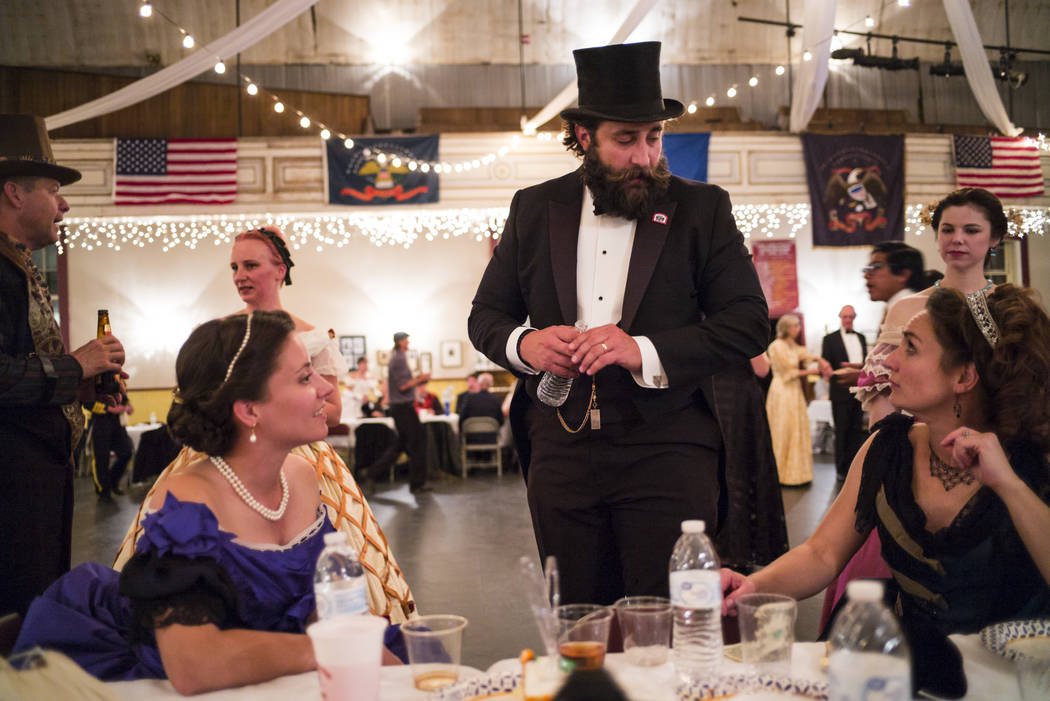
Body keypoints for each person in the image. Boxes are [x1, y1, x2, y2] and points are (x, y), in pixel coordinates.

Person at [468, 42, 769, 604]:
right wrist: (526, 344)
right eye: (625, 139)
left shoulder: (702, 209)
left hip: (669, 445)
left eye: (654, 136)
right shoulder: (534, 208)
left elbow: (749, 322)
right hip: (559, 445)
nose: (644, 156)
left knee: (671, 619)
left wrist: (643, 350)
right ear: (585, 137)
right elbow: (486, 316)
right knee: (580, 620)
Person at [14, 312, 404, 691]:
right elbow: (194, 667)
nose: (326, 388)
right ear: (249, 410)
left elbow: (322, 608)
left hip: (274, 668)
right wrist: (321, 649)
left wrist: (409, 679)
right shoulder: (186, 500)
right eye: (305, 377)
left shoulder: (301, 478)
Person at [114, 228, 416, 623]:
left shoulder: (309, 333)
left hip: (301, 450)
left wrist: (287, 414)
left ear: (280, 269)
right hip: (226, 448)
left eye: (251, 265)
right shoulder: (223, 333)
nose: (240, 275)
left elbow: (335, 410)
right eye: (235, 267)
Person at [722, 285, 1050, 636]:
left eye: (910, 348)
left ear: (963, 376)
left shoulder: (1033, 461)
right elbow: (822, 553)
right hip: (906, 658)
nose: (889, 360)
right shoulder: (889, 444)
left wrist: (1008, 485)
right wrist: (752, 586)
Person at [0, 114, 127, 617]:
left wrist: (80, 388)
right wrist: (74, 368)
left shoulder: (18, 263)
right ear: (14, 192)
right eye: (54, 190)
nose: (65, 203)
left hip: (33, 483)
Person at [851, 241, 927, 425]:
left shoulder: (907, 309)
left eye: (876, 267)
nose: (867, 275)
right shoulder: (896, 306)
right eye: (866, 268)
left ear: (903, 274)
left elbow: (901, 371)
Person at [765, 315, 830, 486]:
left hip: (794, 392)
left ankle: (796, 473)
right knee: (783, 429)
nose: (798, 329)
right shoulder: (776, 346)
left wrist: (819, 359)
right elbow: (787, 373)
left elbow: (805, 354)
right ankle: (779, 473)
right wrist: (811, 373)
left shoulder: (792, 345)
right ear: (786, 327)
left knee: (796, 428)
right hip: (782, 391)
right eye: (795, 326)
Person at [821, 305, 868, 482]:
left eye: (851, 316)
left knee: (857, 431)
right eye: (845, 316)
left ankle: (855, 467)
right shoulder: (829, 339)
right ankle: (841, 470)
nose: (848, 319)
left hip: (859, 391)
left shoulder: (862, 338)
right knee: (841, 431)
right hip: (840, 392)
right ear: (840, 317)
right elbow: (827, 366)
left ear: (854, 317)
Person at [387, 331, 432, 493]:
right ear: (400, 342)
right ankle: (418, 483)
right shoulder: (398, 359)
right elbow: (403, 386)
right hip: (402, 407)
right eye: (406, 340)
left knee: (402, 443)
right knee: (418, 441)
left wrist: (419, 379)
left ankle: (374, 473)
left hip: (401, 406)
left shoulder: (398, 358)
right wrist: (421, 379)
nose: (408, 343)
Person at [90, 389, 134, 501]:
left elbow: (124, 398)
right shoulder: (94, 377)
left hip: (117, 424)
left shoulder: (119, 379)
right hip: (101, 422)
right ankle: (103, 490)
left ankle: (112, 481)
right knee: (101, 459)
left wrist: (128, 407)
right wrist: (108, 409)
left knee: (127, 452)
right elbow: (88, 403)